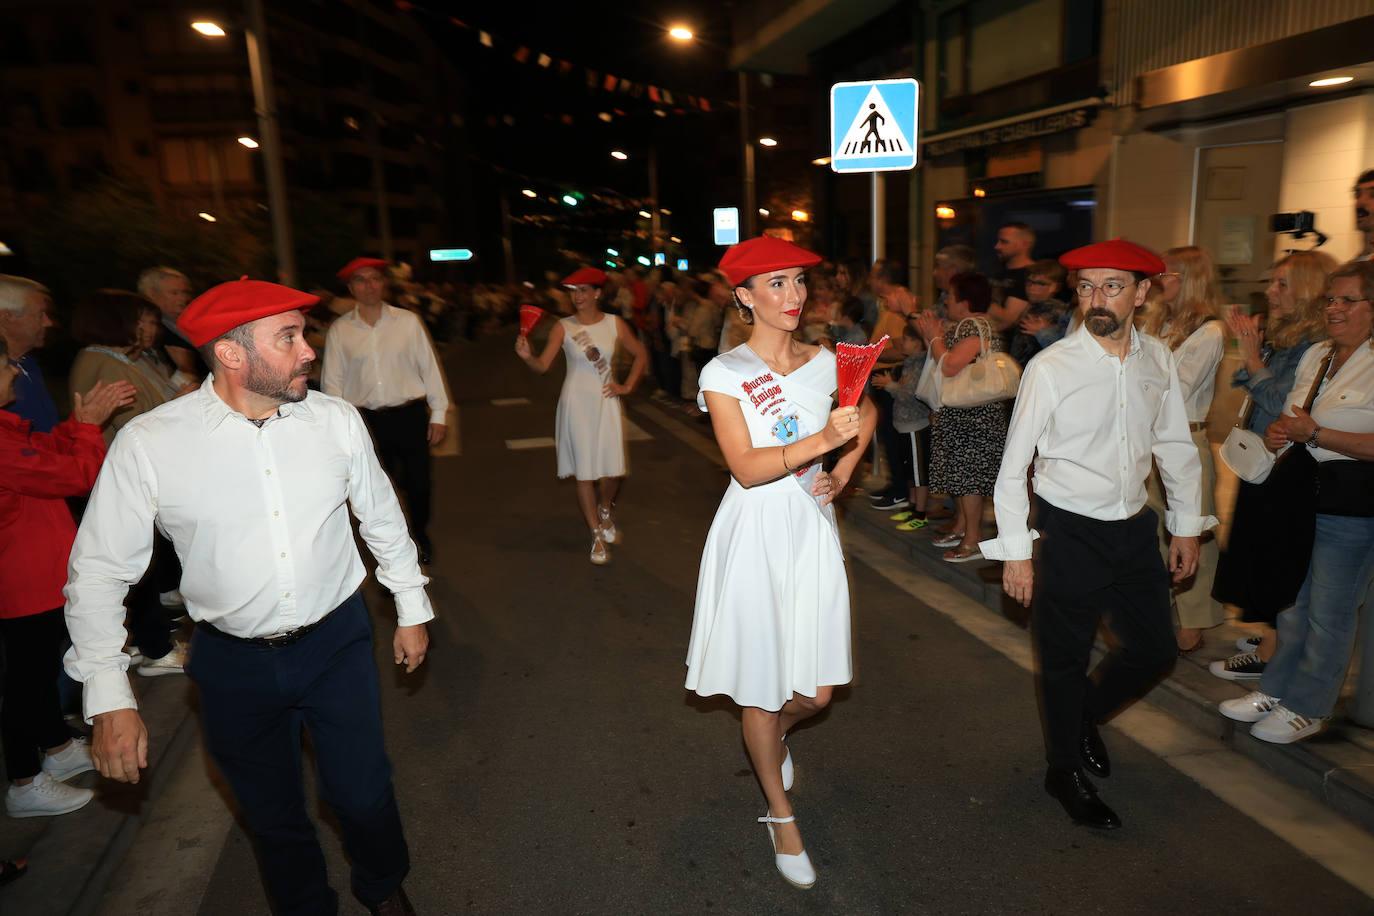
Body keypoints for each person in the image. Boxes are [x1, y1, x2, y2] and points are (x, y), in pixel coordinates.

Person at [64, 278, 432, 916]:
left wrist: (411, 606)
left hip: (336, 643)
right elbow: (98, 570)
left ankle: (381, 883)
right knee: (273, 816)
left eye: (303, 333)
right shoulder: (151, 444)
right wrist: (107, 694)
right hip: (232, 664)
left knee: (363, 795)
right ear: (232, 354)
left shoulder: (335, 421)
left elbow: (379, 516)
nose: (309, 350)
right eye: (288, 337)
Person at [980, 238, 1214, 830]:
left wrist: (1186, 527)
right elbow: (1013, 465)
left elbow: (1174, 448)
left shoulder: (1158, 359)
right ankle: (1063, 770)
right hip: (1066, 529)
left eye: (1112, 286)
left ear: (1142, 292)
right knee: (1063, 660)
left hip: (1135, 528)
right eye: (1086, 287)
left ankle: (1078, 717)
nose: (1097, 299)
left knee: (1155, 650)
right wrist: (1016, 553)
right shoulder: (1051, 367)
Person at [685, 236, 875, 890]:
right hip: (755, 530)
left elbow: (866, 410)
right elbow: (744, 466)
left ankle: (777, 740)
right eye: (775, 284)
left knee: (815, 693)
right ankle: (779, 810)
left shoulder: (826, 361)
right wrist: (824, 441)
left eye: (797, 281)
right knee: (763, 686)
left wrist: (843, 471)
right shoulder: (726, 373)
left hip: (811, 529)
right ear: (744, 296)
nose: (792, 296)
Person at [1220, 260, 1374, 744]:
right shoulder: (1320, 355)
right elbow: (1292, 419)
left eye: (1347, 300)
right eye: (1330, 298)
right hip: (1300, 496)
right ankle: (1277, 689)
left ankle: (1310, 706)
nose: (1334, 308)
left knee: (1330, 611)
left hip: (1352, 502)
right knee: (1291, 601)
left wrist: (1319, 433)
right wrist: (1280, 432)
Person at [2, 335, 135, 818]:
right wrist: (88, 430)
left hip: (37, 573)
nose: (15, 372)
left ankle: (56, 752)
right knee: (25, 684)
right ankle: (23, 781)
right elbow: (76, 475)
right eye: (5, 365)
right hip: (22, 582)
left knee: (38, 674)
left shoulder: (6, 427)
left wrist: (79, 426)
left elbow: (42, 449)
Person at [1210, 250, 1334, 680]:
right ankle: (1270, 635)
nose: (1270, 291)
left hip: (1287, 463)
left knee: (1276, 559)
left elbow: (1284, 402)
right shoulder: (1286, 336)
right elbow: (1246, 386)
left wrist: (1253, 359)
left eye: (1281, 284)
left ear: (1306, 290)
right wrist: (1255, 357)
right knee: (1254, 549)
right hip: (1265, 457)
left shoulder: (1316, 345)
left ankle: (1272, 651)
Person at [67, 290, 189, 678]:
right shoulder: (105, 363)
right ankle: (151, 648)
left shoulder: (116, 359)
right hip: (119, 480)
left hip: (121, 478)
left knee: (142, 570)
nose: (148, 328)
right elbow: (139, 425)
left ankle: (142, 642)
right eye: (141, 319)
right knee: (136, 570)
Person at [514, 267, 648, 565]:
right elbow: (543, 365)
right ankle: (596, 533)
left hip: (605, 400)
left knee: (614, 470)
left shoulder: (615, 324)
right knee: (585, 472)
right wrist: (528, 358)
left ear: (598, 293)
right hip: (576, 403)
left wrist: (626, 386)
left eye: (584, 290)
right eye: (573, 291)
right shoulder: (563, 326)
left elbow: (641, 354)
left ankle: (605, 508)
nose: (577, 296)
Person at [323, 257, 450, 566]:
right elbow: (332, 383)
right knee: (378, 490)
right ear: (351, 288)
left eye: (375, 278)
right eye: (361, 280)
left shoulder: (408, 321)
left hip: (409, 415)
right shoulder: (340, 330)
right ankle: (392, 548)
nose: (369, 286)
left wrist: (439, 413)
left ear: (384, 283)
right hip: (366, 421)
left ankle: (419, 533)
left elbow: (429, 367)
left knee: (419, 485)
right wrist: (337, 430)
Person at [1141, 246, 1226, 653]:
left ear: (1187, 278)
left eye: (1166, 275)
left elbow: (1177, 387)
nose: (1159, 282)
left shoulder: (1209, 331)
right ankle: (1162, 608)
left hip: (1187, 438)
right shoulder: (1160, 323)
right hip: (1151, 438)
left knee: (1192, 529)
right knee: (1156, 530)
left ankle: (1194, 619)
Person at [914, 272, 1010, 562]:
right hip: (965, 414)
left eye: (950, 296)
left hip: (974, 417)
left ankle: (972, 539)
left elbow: (951, 365)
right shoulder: (974, 325)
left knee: (969, 480)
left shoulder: (975, 326)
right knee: (960, 477)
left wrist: (933, 337)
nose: (946, 301)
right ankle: (961, 527)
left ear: (964, 301)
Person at [870, 325, 931, 530]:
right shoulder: (909, 362)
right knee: (910, 472)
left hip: (915, 425)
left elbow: (911, 394)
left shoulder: (920, 364)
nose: (900, 343)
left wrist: (890, 384)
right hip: (904, 425)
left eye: (905, 339)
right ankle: (913, 505)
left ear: (917, 343)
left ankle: (920, 513)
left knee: (919, 473)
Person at [0, 275, 58, 432]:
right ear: (7, 317)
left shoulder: (28, 364)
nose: (48, 322)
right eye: (40, 314)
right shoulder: (4, 379)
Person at [137, 266, 205, 384]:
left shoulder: (186, 324)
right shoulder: (149, 333)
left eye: (186, 292)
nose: (184, 298)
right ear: (152, 294)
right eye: (174, 293)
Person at [1008, 260, 1069, 366]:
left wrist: (1044, 332)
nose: (1032, 287)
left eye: (1040, 284)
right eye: (1029, 282)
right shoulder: (1031, 306)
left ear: (1055, 287)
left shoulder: (1057, 310)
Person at [988, 223, 1035, 329]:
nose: (997, 246)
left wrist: (977, 298)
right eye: (998, 241)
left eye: (1004, 242)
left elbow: (1008, 319)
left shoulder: (1031, 276)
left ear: (1025, 244)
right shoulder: (998, 272)